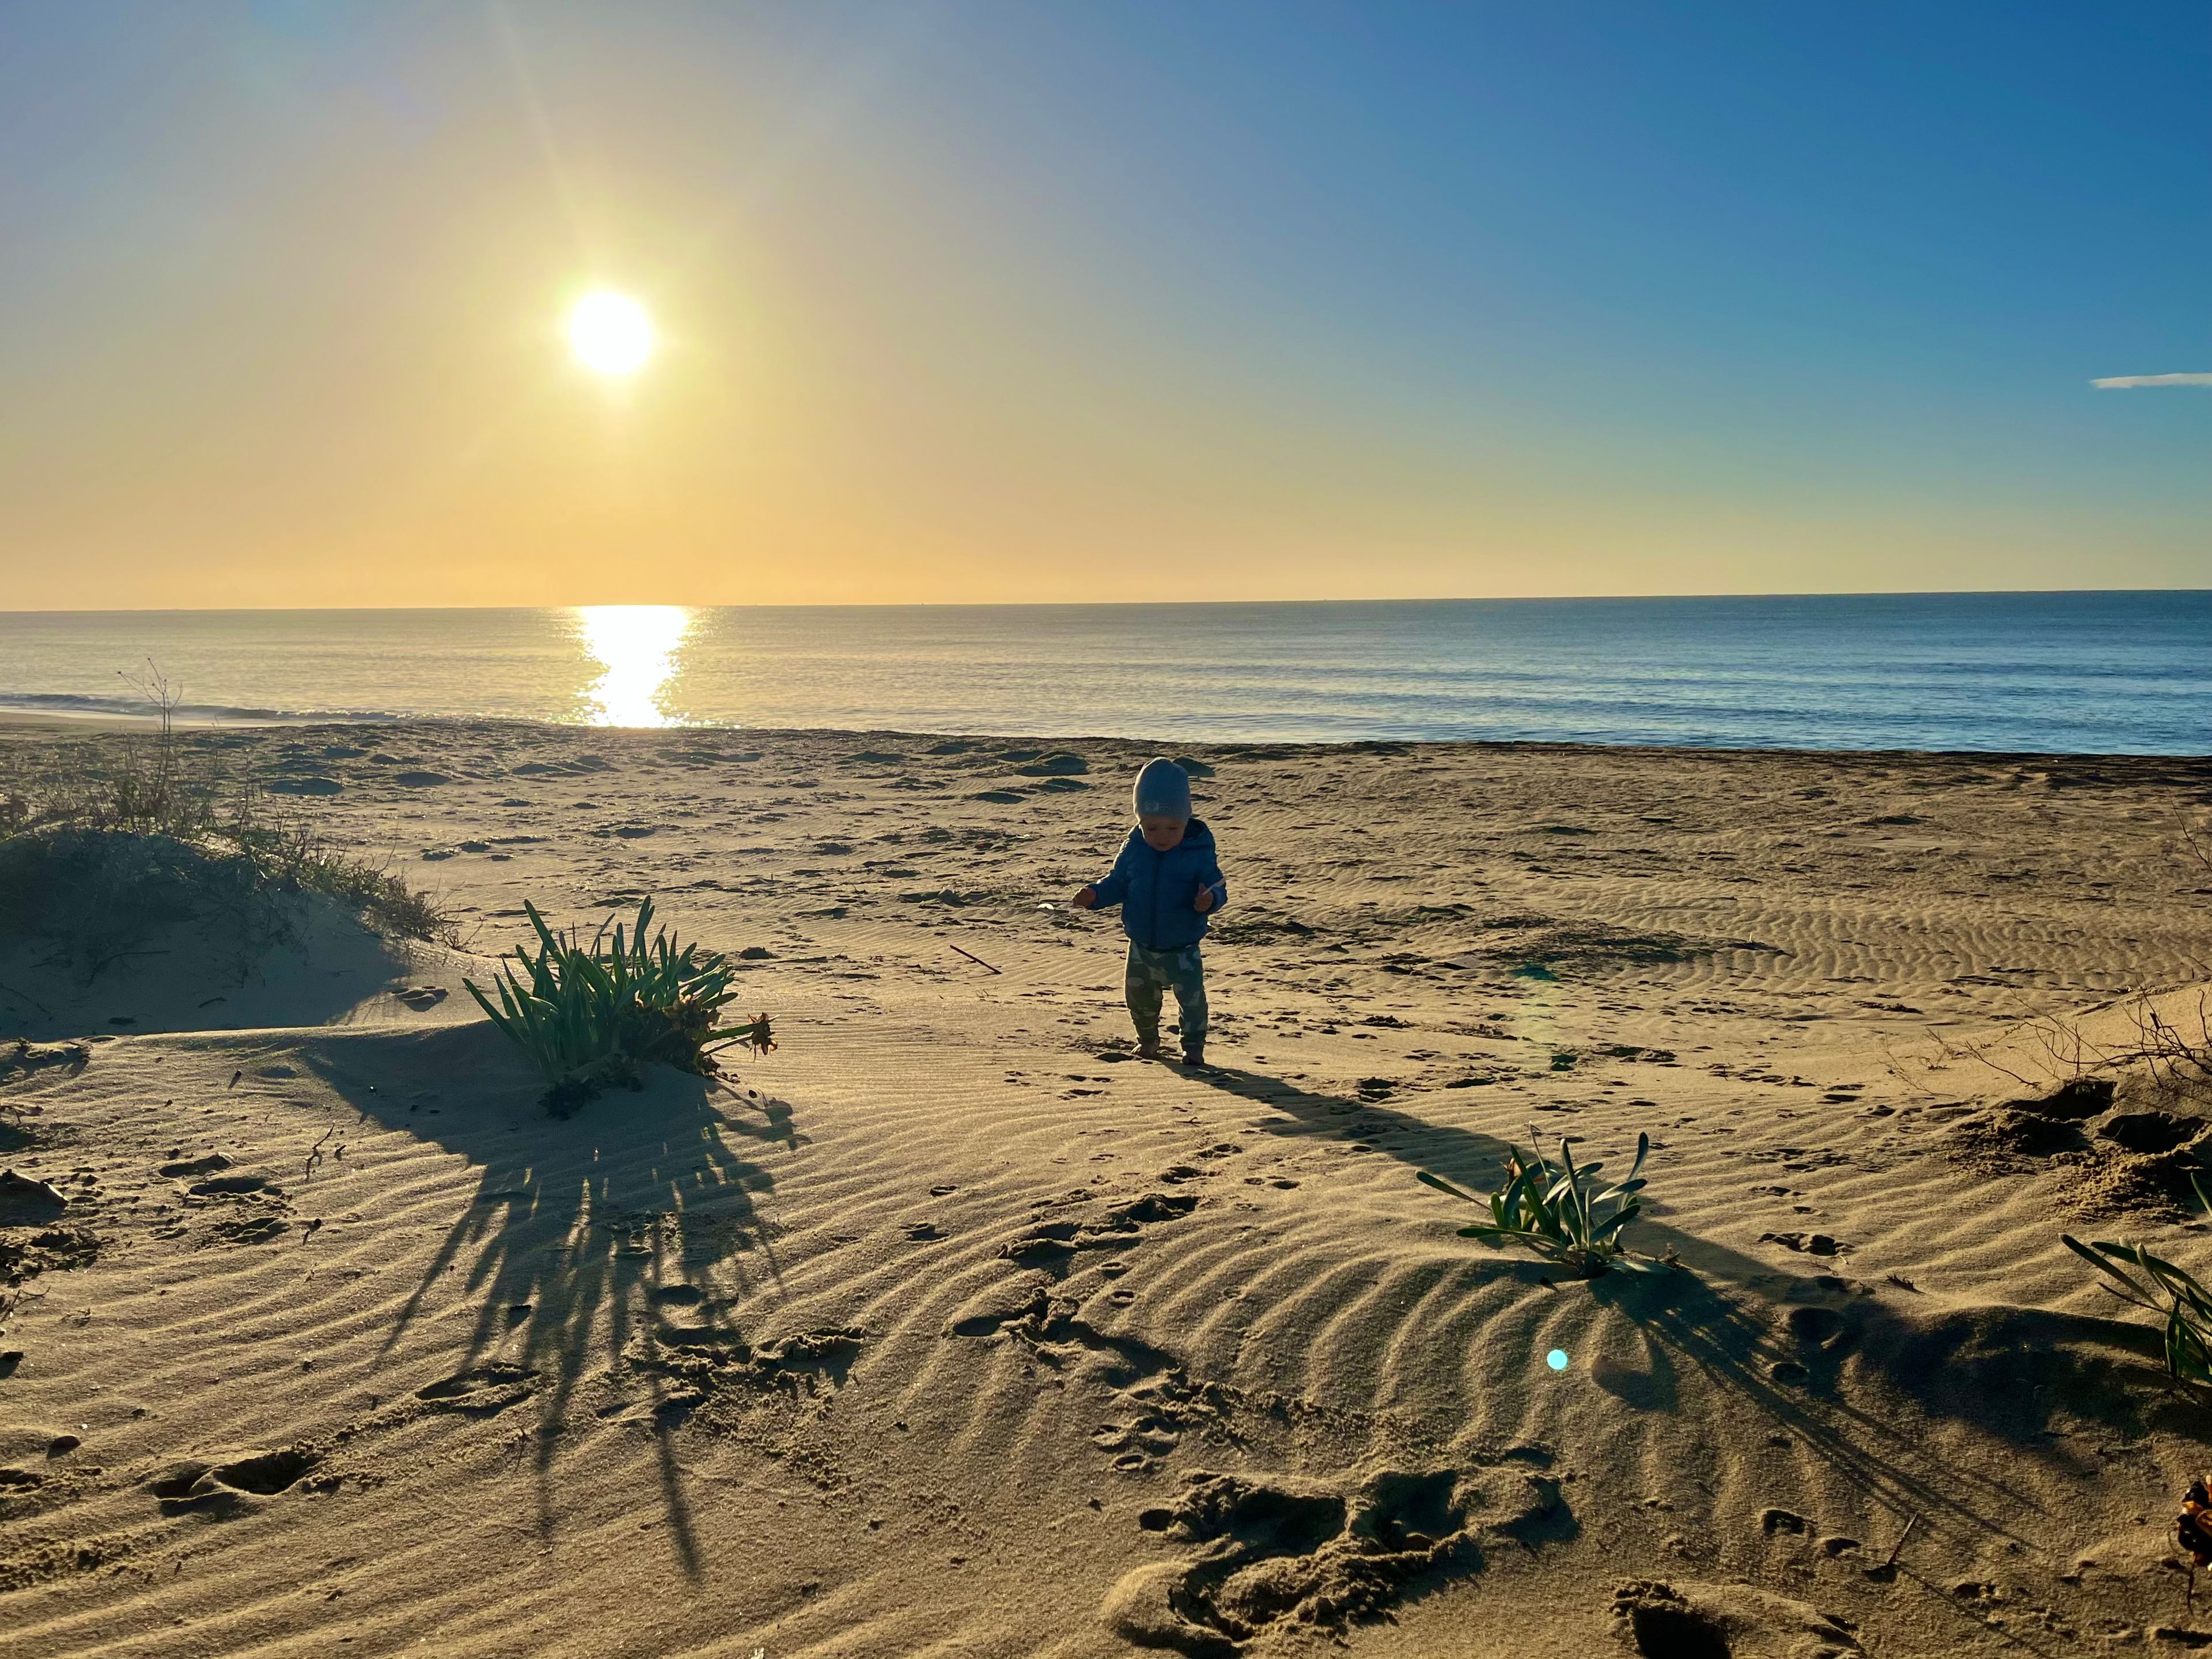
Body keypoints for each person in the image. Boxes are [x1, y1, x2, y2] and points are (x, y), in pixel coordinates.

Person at [1071, 757, 1228, 1066]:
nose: (1162, 836)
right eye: (1151, 827)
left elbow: (1217, 885)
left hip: (1183, 946)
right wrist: (1095, 895)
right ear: (1140, 822)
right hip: (1141, 945)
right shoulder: (1135, 849)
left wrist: (1208, 902)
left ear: (1186, 821)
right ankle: (1148, 1041)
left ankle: (1193, 1046)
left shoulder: (1198, 852)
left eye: (1173, 828)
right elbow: (1118, 882)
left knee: (1192, 1002)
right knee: (1140, 1000)